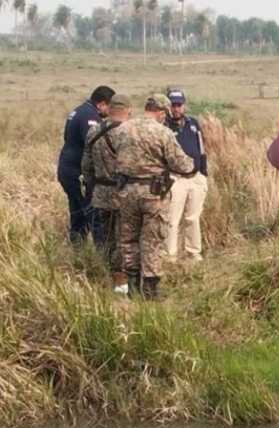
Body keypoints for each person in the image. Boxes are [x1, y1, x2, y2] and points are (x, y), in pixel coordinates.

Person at [114, 94, 194, 300]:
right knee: (153, 240)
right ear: (161, 112)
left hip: (127, 192)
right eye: (165, 113)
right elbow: (181, 164)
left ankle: (131, 288)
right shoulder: (163, 132)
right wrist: (192, 164)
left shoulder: (123, 129)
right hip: (154, 194)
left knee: (128, 239)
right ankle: (150, 291)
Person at [82, 94, 132, 295]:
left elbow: (86, 166)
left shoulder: (94, 130)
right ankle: (121, 281)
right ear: (128, 109)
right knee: (124, 237)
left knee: (106, 236)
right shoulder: (128, 132)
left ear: (110, 109)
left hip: (101, 193)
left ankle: (107, 274)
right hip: (124, 194)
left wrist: (92, 186)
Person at [57, 85, 116, 243]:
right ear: (101, 104)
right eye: (109, 107)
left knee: (77, 211)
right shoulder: (90, 118)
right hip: (77, 172)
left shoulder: (80, 110)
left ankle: (77, 245)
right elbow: (94, 144)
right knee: (90, 212)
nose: (110, 112)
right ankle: (98, 251)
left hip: (67, 168)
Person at [164, 88, 208, 263]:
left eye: (179, 105)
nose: (176, 109)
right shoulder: (164, 127)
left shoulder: (193, 123)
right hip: (176, 178)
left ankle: (193, 252)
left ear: (184, 105)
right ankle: (170, 255)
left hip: (196, 177)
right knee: (172, 220)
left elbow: (202, 148)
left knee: (193, 218)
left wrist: (203, 174)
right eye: (173, 105)